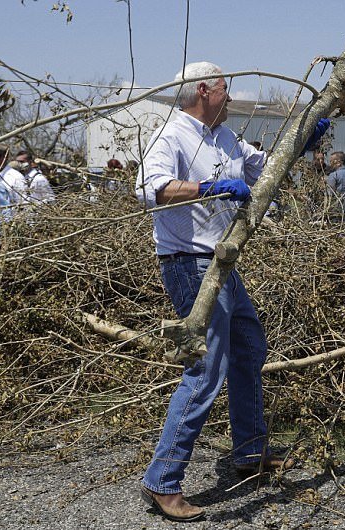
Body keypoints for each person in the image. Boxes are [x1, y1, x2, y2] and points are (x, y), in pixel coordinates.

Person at [134, 61, 326, 523]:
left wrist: (306, 138)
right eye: (226, 90)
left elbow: (266, 165)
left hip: (223, 260)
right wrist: (207, 186)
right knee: (205, 368)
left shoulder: (224, 136)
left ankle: (249, 451)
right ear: (204, 90)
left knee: (248, 347)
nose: (231, 98)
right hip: (188, 263)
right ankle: (162, 480)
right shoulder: (172, 135)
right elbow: (147, 188)